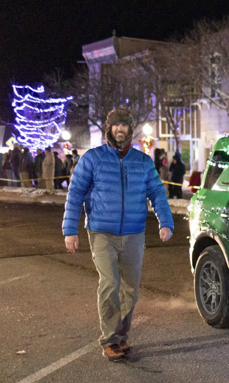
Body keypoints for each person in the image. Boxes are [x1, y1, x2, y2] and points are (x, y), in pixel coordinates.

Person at [62, 108, 174, 362]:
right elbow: (76, 193)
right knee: (110, 283)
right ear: (109, 129)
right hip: (102, 232)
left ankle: (121, 335)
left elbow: (156, 193)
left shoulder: (143, 161)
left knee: (130, 289)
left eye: (125, 125)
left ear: (130, 130)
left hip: (134, 233)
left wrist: (165, 222)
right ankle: (110, 339)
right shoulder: (93, 159)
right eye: (116, 125)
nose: (120, 129)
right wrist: (70, 230)